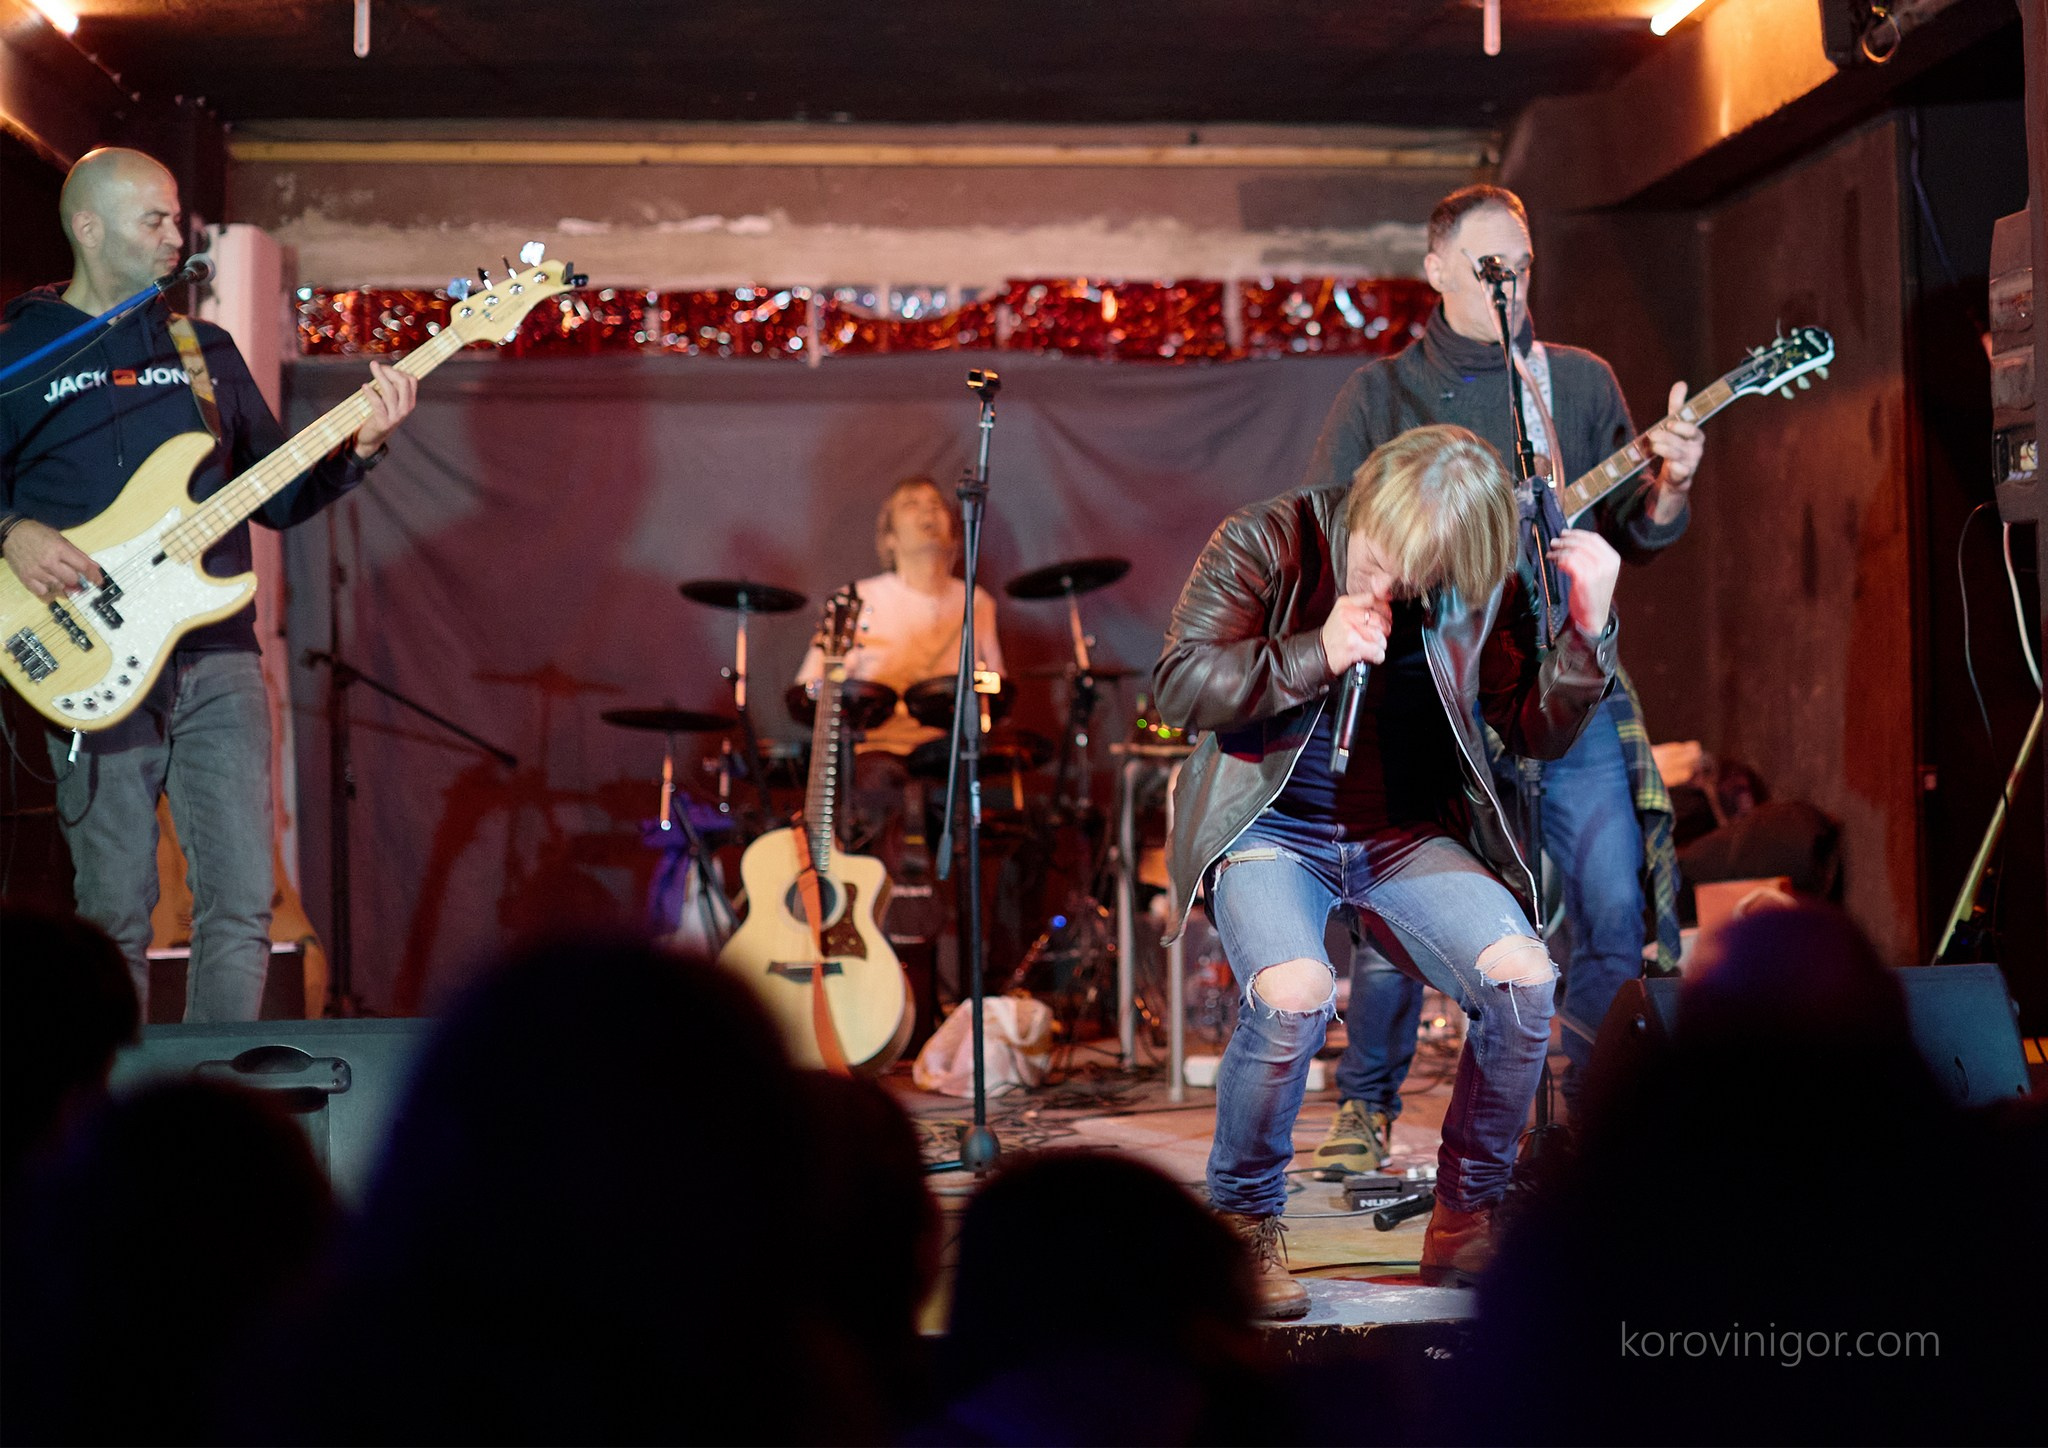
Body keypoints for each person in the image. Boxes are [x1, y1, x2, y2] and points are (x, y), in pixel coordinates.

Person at [1154, 424, 1620, 1316]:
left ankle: (1465, 1218)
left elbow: (1533, 731)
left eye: (1417, 575)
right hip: (1269, 826)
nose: (1391, 582)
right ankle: (1242, 1224)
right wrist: (1315, 651)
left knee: (1524, 980)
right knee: (1294, 993)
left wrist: (1588, 635)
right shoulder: (1270, 538)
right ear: (1365, 500)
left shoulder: (1482, 580)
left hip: (1404, 834)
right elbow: (1178, 684)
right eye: (1377, 555)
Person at [1299, 184, 1703, 1179]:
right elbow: (1328, 529)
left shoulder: (1575, 383)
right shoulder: (1381, 394)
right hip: (1436, 693)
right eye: (1486, 265)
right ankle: (1365, 1104)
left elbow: (1635, 536)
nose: (1506, 282)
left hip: (1564, 684)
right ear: (1435, 269)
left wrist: (1674, 480)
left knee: (1611, 900)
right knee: (1403, 902)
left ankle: (1587, 1113)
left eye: (1517, 265)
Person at [0, 147, 416, 1022]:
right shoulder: (21, 352)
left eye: (176, 217)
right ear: (88, 227)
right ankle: (112, 1092)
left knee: (241, 901)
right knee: (113, 906)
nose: (173, 235)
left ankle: (214, 1086)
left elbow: (277, 493)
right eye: (153, 218)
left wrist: (363, 449)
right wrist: (12, 531)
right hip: (87, 650)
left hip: (218, 654)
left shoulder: (203, 351)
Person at [794, 475, 1005, 937]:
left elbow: (994, 687)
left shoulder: (975, 601)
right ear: (888, 538)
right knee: (877, 792)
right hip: (876, 752)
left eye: (936, 504)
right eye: (911, 504)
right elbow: (810, 687)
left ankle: (955, 941)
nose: (928, 511)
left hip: (945, 755)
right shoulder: (856, 599)